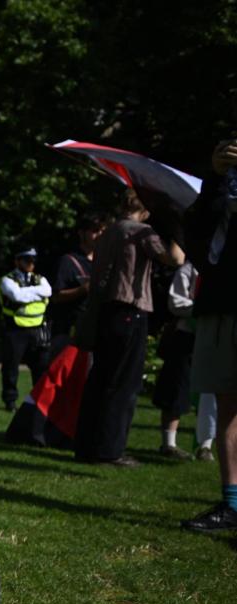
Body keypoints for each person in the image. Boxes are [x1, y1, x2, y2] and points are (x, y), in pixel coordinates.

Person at [75, 190, 184, 466]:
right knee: (123, 383)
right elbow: (175, 259)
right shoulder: (141, 231)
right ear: (145, 209)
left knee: (100, 379)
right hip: (130, 310)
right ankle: (110, 449)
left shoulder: (109, 231)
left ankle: (87, 445)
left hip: (105, 311)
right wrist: (174, 226)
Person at [180, 137, 237, 531]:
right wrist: (216, 178)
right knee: (227, 405)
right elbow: (196, 232)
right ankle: (232, 504)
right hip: (224, 303)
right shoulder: (221, 182)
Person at [0, 246, 52, 410]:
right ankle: (10, 401)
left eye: (33, 260)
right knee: (11, 367)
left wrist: (26, 292)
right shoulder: (7, 280)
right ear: (17, 261)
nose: (31, 263)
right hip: (15, 329)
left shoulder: (40, 278)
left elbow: (47, 291)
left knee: (41, 367)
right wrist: (36, 293)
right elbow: (16, 296)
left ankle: (38, 400)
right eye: (27, 260)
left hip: (38, 330)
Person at [152, 260, 198, 460]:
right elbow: (176, 302)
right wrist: (203, 307)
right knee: (176, 389)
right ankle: (168, 443)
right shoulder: (189, 269)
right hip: (186, 336)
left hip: (211, 335)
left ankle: (205, 445)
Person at [47, 213, 107, 355]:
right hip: (68, 332)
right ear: (81, 233)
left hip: (96, 330)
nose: (99, 235)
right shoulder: (68, 262)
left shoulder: (105, 262)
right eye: (94, 231)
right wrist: (82, 290)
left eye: (102, 231)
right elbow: (55, 296)